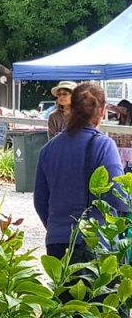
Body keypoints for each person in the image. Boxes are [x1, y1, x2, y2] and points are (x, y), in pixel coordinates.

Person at [35, 83, 127, 260]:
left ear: (71, 108)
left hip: (56, 243)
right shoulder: (104, 145)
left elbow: (40, 201)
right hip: (94, 243)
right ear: (102, 111)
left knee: (65, 288)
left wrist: (58, 228)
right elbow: (117, 197)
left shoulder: (49, 148)